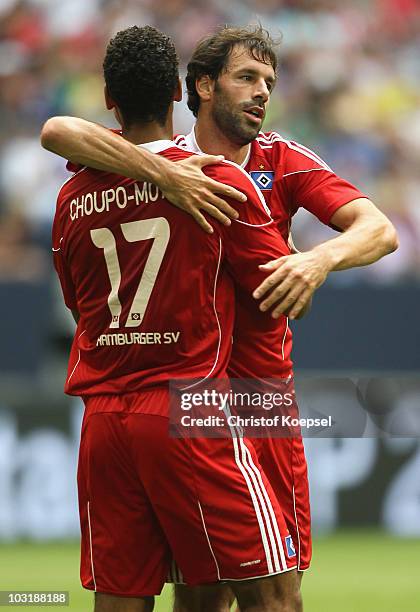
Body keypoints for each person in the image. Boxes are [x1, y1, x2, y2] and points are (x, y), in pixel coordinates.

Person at [43, 25, 398, 612]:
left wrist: (314, 262)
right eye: (247, 77)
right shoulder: (186, 169)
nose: (262, 92)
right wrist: (165, 174)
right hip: (195, 401)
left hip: (256, 401)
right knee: (209, 595)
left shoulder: (281, 159)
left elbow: (378, 229)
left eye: (270, 82)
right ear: (200, 88)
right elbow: (59, 130)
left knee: (275, 585)